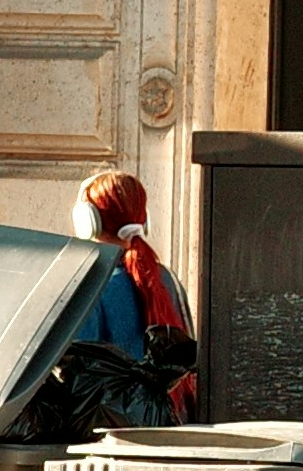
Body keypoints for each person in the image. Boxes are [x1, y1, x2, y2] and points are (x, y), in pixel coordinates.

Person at [64, 171, 202, 423]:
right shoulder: (167, 280)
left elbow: (79, 374)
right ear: (143, 218)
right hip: (174, 425)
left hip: (112, 435)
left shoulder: (91, 285)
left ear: (87, 222)